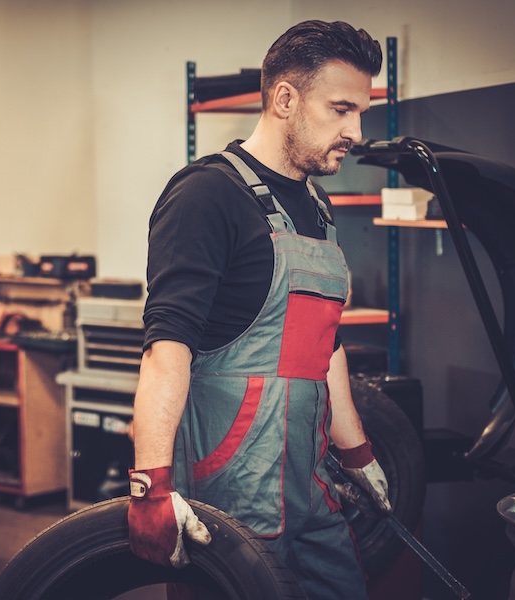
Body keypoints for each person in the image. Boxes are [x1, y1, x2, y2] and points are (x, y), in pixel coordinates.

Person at [128, 20, 391, 599]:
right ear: (284, 99)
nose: (356, 130)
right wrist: (150, 486)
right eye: (342, 109)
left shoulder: (317, 207)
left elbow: (327, 345)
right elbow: (165, 349)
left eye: (361, 113)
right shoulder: (205, 195)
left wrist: (357, 451)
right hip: (230, 500)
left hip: (310, 490)